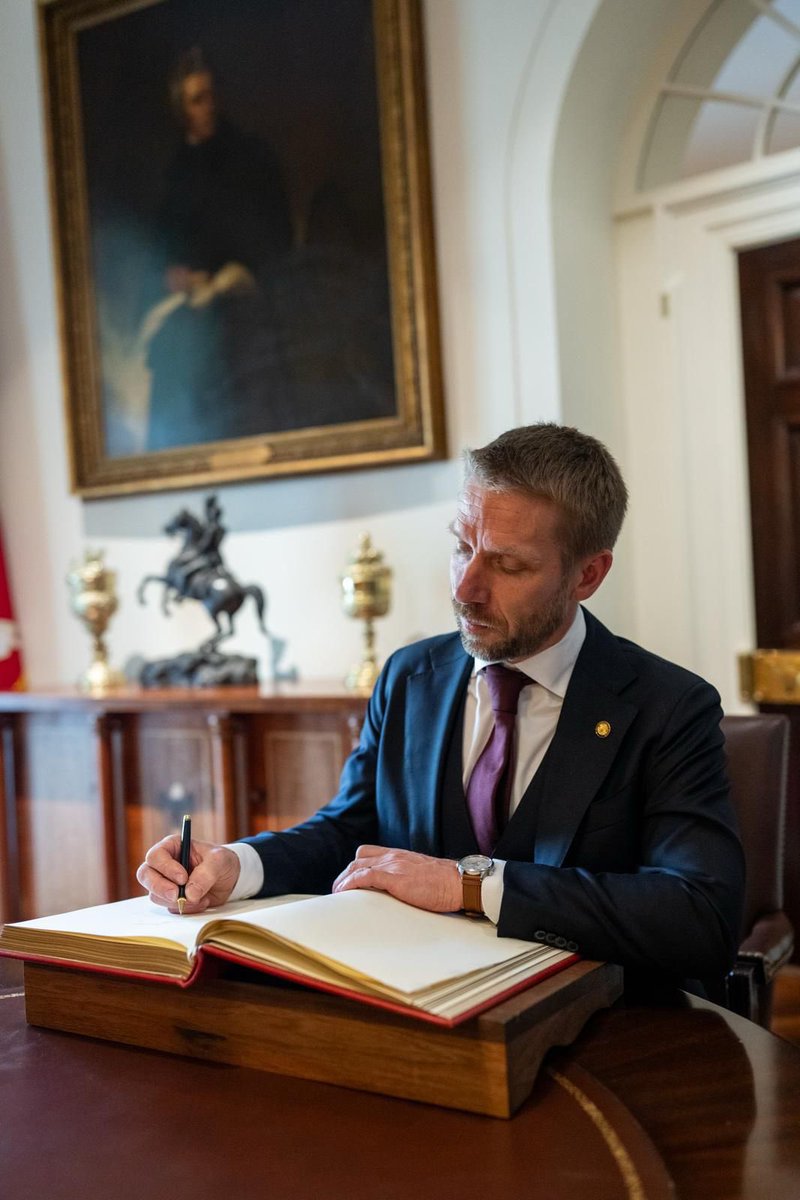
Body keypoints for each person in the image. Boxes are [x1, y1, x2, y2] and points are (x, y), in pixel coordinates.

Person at [137, 423, 745, 998]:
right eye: (461, 547)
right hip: (415, 1011)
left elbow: (698, 918)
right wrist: (235, 864)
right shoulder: (410, 677)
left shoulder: (668, 707)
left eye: (508, 564)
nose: (465, 588)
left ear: (588, 574)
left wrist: (470, 886)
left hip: (603, 1031)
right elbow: (350, 831)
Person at [141, 48, 293, 450]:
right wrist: (173, 275)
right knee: (169, 364)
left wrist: (238, 273)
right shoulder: (175, 172)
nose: (207, 107)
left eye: (210, 95)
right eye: (195, 100)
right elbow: (164, 247)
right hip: (193, 313)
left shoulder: (249, 157)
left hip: (244, 306)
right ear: (181, 110)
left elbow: (273, 237)